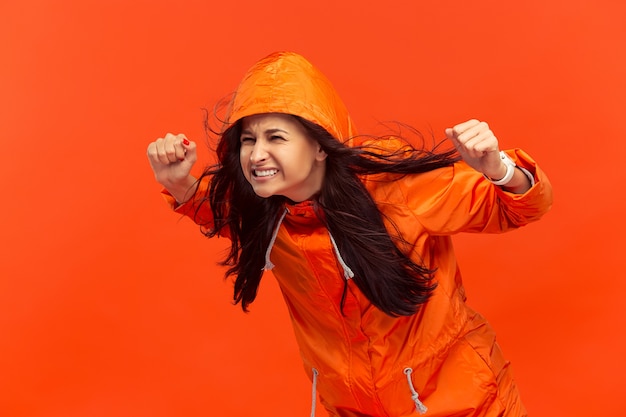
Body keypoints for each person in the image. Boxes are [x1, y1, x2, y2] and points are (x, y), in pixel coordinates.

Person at [146, 51, 552, 417]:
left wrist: (499, 167)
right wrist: (181, 185)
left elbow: (520, 205)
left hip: (464, 405)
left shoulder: (395, 191)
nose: (255, 154)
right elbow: (218, 212)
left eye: (275, 138)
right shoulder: (265, 214)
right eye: (248, 140)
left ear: (321, 146)